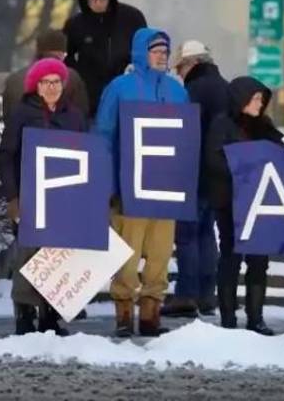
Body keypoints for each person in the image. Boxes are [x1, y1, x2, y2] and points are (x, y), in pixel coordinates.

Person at [96, 27, 189, 337]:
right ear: (141, 53)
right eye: (156, 50)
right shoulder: (120, 88)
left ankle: (151, 314)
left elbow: (186, 138)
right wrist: (107, 182)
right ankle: (123, 313)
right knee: (127, 253)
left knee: (161, 254)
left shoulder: (178, 91)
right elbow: (104, 136)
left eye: (165, 51)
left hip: (166, 187)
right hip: (128, 187)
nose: (162, 56)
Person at [0, 57, 88, 337]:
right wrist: (13, 197)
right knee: (28, 255)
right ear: (35, 86)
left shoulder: (73, 117)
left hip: (61, 195)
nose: (51, 87)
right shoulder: (22, 114)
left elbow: (83, 155)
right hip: (28, 194)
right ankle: (24, 315)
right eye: (45, 82)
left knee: (56, 256)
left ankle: (50, 316)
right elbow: (6, 155)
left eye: (56, 82)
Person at [204, 76, 284, 335]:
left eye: (262, 99)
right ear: (241, 99)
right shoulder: (221, 125)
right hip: (230, 202)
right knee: (231, 257)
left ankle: (255, 318)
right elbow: (213, 160)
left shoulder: (265, 126)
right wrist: (243, 169)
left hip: (258, 203)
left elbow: (279, 154)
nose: (260, 103)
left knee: (259, 259)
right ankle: (228, 318)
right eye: (256, 98)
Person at [162, 40, 229, 319]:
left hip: (195, 173)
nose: (179, 74)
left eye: (181, 68)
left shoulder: (193, 90)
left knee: (187, 236)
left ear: (192, 64)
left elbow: (186, 134)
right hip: (219, 174)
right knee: (206, 234)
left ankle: (186, 294)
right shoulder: (225, 86)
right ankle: (206, 294)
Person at [63, 0, 147, 116]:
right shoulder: (76, 25)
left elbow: (144, 48)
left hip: (126, 90)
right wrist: (80, 78)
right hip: (90, 95)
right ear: (84, 0)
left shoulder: (132, 17)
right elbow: (66, 56)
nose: (98, 3)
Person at [1, 29, 89, 122]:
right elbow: (81, 117)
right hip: (59, 135)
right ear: (61, 53)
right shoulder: (72, 77)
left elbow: (8, 117)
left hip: (22, 134)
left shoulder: (14, 79)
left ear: (38, 50)